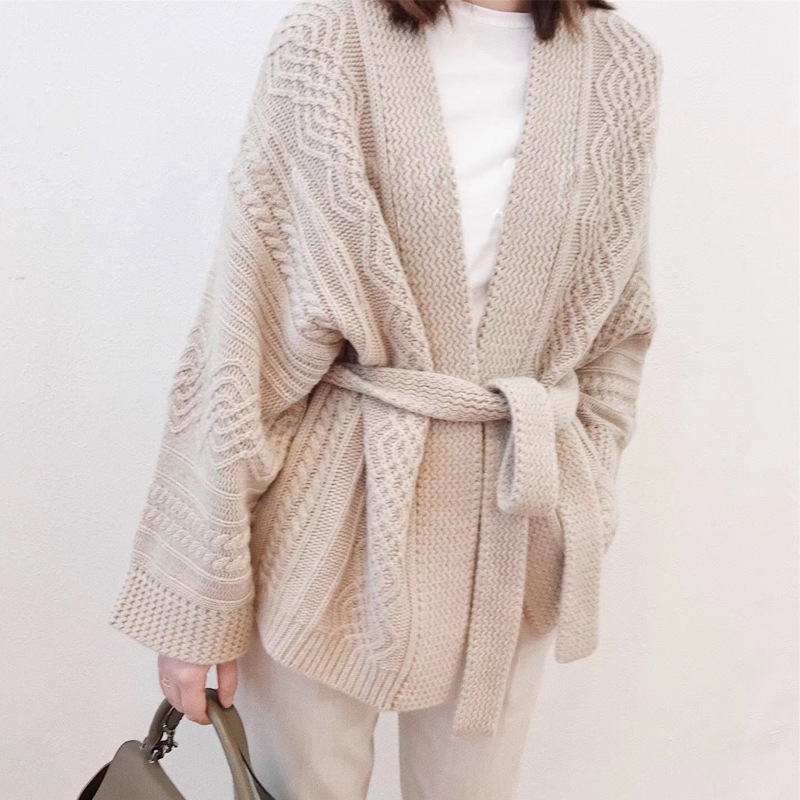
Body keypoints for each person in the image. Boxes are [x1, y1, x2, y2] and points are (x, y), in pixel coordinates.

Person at [109, 0, 663, 797]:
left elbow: (618, 325)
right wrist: (198, 596)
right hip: (326, 535)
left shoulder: (622, 65)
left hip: (512, 534)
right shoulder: (326, 43)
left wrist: (590, 486)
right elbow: (243, 337)